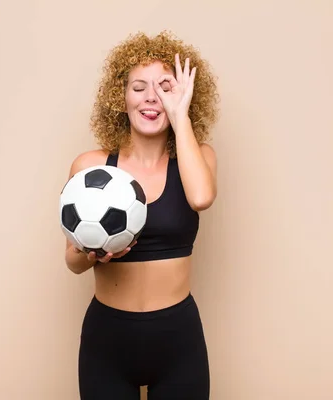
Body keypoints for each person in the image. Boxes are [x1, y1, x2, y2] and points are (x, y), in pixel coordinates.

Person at [63, 31, 220, 399]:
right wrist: (90, 254)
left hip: (178, 340)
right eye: (139, 87)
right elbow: (71, 262)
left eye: (165, 87)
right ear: (121, 96)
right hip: (108, 340)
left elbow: (200, 198)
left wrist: (180, 116)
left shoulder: (199, 159)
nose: (152, 97)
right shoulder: (91, 168)